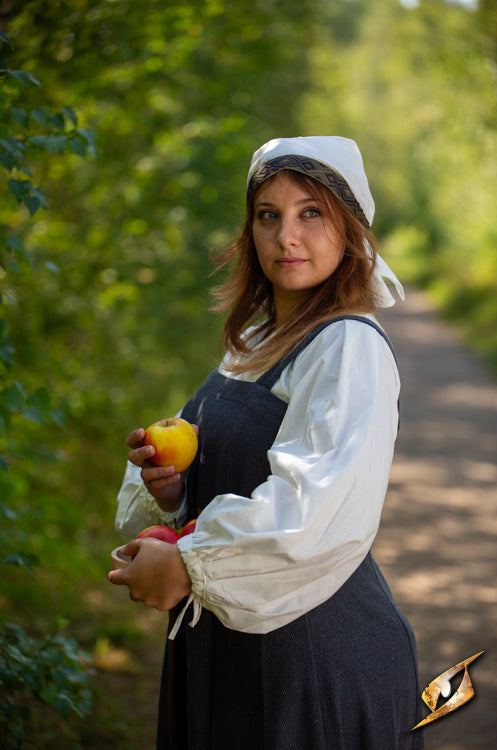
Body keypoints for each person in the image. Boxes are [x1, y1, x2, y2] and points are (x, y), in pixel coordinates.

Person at [108, 136, 424, 750]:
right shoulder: (257, 337)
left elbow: (315, 511)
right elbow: (232, 472)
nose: (287, 236)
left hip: (309, 662)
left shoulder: (347, 344)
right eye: (268, 215)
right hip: (229, 648)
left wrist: (190, 564)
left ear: (351, 227)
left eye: (311, 212)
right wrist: (172, 491)